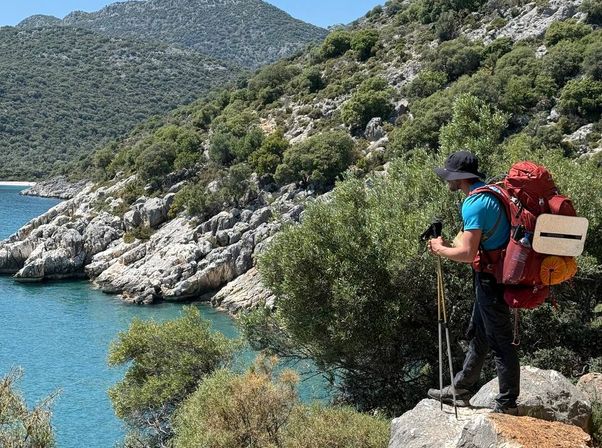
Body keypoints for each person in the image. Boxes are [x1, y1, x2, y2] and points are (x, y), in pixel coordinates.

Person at [426, 150, 520, 415]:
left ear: (460, 178)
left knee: (500, 340)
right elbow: (477, 241)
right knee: (478, 333)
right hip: (498, 272)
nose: (447, 180)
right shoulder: (492, 192)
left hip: (491, 279)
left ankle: (508, 403)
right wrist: (448, 245)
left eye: (449, 176)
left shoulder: (474, 204)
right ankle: (460, 388)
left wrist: (439, 250)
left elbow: (467, 254)